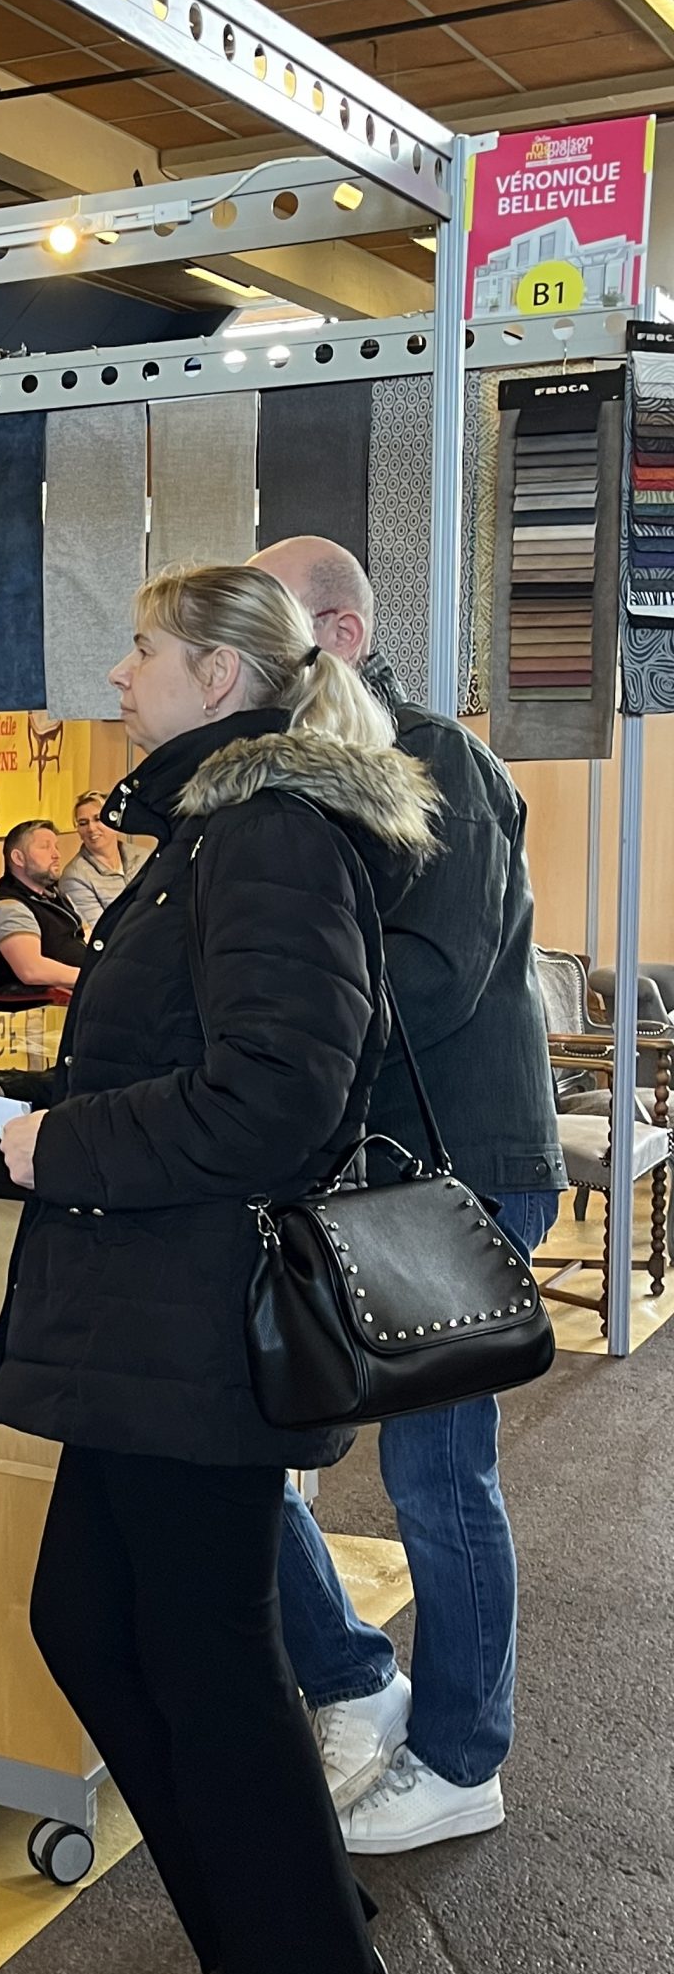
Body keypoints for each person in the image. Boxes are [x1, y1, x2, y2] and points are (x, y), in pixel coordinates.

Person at [0, 564, 438, 1974]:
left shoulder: (268, 834)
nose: (117, 672)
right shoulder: (218, 829)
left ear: (217, 676)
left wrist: (60, 1143)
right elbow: (187, 1053)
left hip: (199, 1316)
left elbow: (274, 1093)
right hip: (157, 1315)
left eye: (141, 648)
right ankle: (301, 1944)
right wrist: (28, 1102)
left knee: (194, 1646)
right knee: (104, 1623)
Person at [252, 536, 564, 1854]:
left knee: (438, 1475)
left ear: (336, 633)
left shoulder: (437, 760)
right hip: (350, 1167)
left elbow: (435, 973)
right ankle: (354, 1679)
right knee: (248, 1442)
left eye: (262, 627)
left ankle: (459, 1755)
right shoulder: (296, 772)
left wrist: (268, 1030)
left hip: (457, 1166)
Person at [0, 819, 90, 997]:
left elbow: (86, 935)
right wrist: (94, 977)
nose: (56, 855)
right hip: (55, 1000)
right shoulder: (8, 906)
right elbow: (32, 970)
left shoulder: (52, 895)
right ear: (18, 858)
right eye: (45, 847)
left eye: (56, 847)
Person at [58, 790, 138, 931]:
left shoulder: (144, 856)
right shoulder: (74, 877)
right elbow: (101, 931)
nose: (91, 828)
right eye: (83, 823)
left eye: (98, 819)